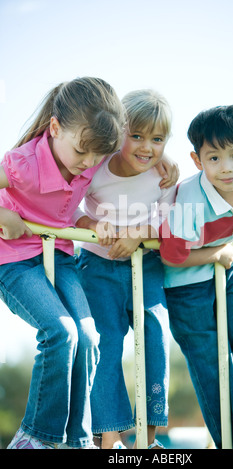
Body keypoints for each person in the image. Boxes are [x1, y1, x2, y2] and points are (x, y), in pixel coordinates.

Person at [0, 77, 126, 449]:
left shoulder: (91, 157)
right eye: (82, 152)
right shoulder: (22, 164)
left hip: (62, 257)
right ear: (55, 128)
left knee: (88, 338)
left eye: (98, 157)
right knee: (61, 333)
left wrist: (91, 224)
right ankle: (34, 437)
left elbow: (69, 213)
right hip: (16, 261)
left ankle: (79, 441)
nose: (89, 164)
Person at [159, 105, 233, 449]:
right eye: (214, 159)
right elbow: (171, 255)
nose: (227, 168)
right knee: (211, 362)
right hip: (186, 286)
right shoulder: (190, 200)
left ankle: (227, 408)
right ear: (197, 161)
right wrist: (218, 253)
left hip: (225, 269)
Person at [76, 89, 176, 449]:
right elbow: (68, 204)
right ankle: (109, 438)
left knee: (154, 333)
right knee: (104, 342)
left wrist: (137, 234)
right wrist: (89, 221)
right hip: (96, 266)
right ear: (119, 132)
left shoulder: (163, 176)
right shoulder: (96, 167)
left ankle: (146, 438)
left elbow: (166, 220)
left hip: (144, 264)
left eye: (157, 139)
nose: (146, 147)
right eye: (136, 136)